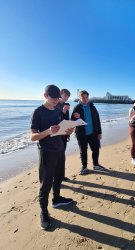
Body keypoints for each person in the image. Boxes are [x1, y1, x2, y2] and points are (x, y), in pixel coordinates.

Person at [30, 84, 74, 230]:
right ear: (45, 96)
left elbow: (61, 131)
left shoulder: (57, 110)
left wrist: (68, 131)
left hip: (59, 149)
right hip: (46, 152)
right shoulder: (38, 112)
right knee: (45, 183)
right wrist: (48, 131)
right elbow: (33, 137)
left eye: (57, 98)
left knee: (59, 176)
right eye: (53, 98)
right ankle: (43, 211)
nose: (56, 101)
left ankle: (56, 199)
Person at [71, 90, 107, 175]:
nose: (85, 99)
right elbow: (73, 120)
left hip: (93, 133)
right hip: (81, 134)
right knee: (83, 151)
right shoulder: (77, 107)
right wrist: (75, 117)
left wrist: (99, 132)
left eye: (86, 97)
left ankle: (96, 164)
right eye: (83, 97)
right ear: (80, 98)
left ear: (88, 97)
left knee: (96, 149)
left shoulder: (92, 107)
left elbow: (97, 120)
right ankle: (84, 167)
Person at [56, 88, 71, 181]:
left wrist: (68, 132)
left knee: (62, 155)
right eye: (65, 95)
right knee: (56, 156)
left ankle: (61, 175)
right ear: (60, 95)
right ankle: (56, 177)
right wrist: (63, 111)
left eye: (67, 97)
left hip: (64, 134)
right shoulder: (55, 104)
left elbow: (66, 120)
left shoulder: (66, 105)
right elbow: (55, 120)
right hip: (56, 135)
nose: (66, 98)